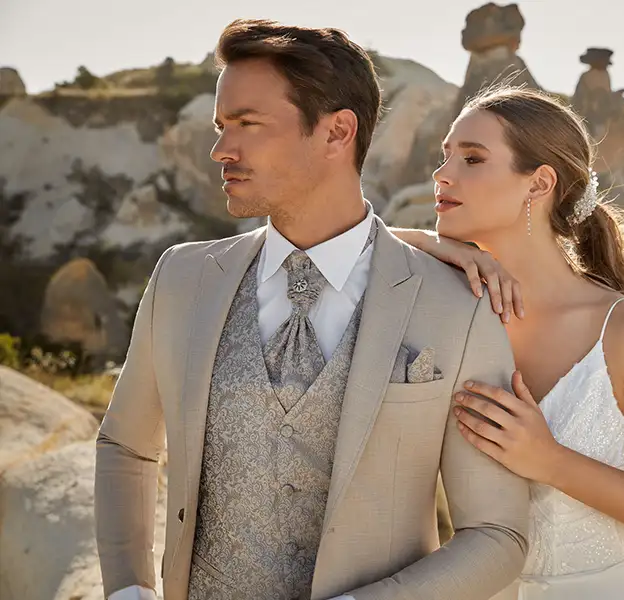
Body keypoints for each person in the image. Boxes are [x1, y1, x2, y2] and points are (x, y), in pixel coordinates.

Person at [94, 19, 530, 600]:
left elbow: (495, 532)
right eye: (223, 126)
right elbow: (126, 445)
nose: (221, 149)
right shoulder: (182, 277)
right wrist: (129, 589)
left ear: (336, 132)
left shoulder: (457, 305)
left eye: (248, 124)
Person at [389, 85, 624, 599]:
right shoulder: (440, 308)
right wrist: (425, 242)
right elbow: (346, 251)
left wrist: (550, 461)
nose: (442, 174)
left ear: (539, 183)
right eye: (445, 157)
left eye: (473, 158)